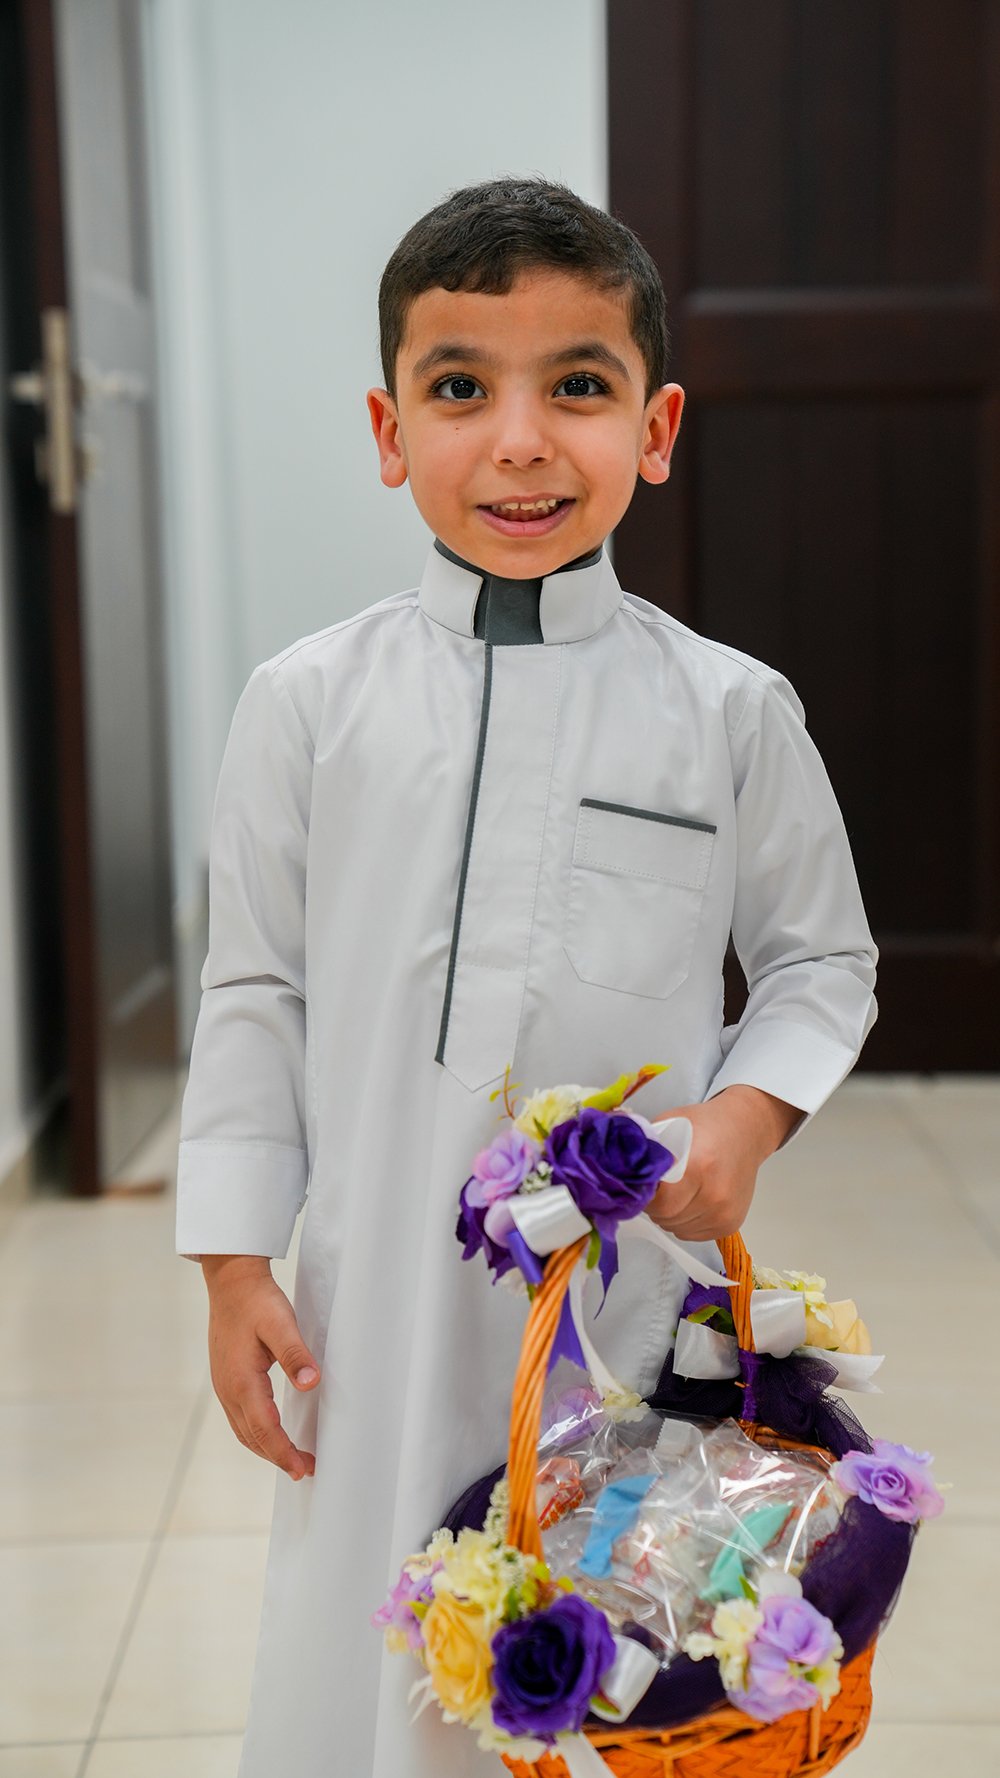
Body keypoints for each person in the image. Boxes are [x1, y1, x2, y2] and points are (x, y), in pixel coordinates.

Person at [174, 177, 877, 1778]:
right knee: (363, 1643)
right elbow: (253, 987)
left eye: (576, 385)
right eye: (458, 388)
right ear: (387, 428)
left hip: (619, 1302)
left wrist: (746, 1118)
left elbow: (821, 959)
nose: (519, 441)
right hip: (365, 1296)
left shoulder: (727, 709)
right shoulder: (306, 704)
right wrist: (229, 1261)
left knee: (609, 1659)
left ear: (656, 426)